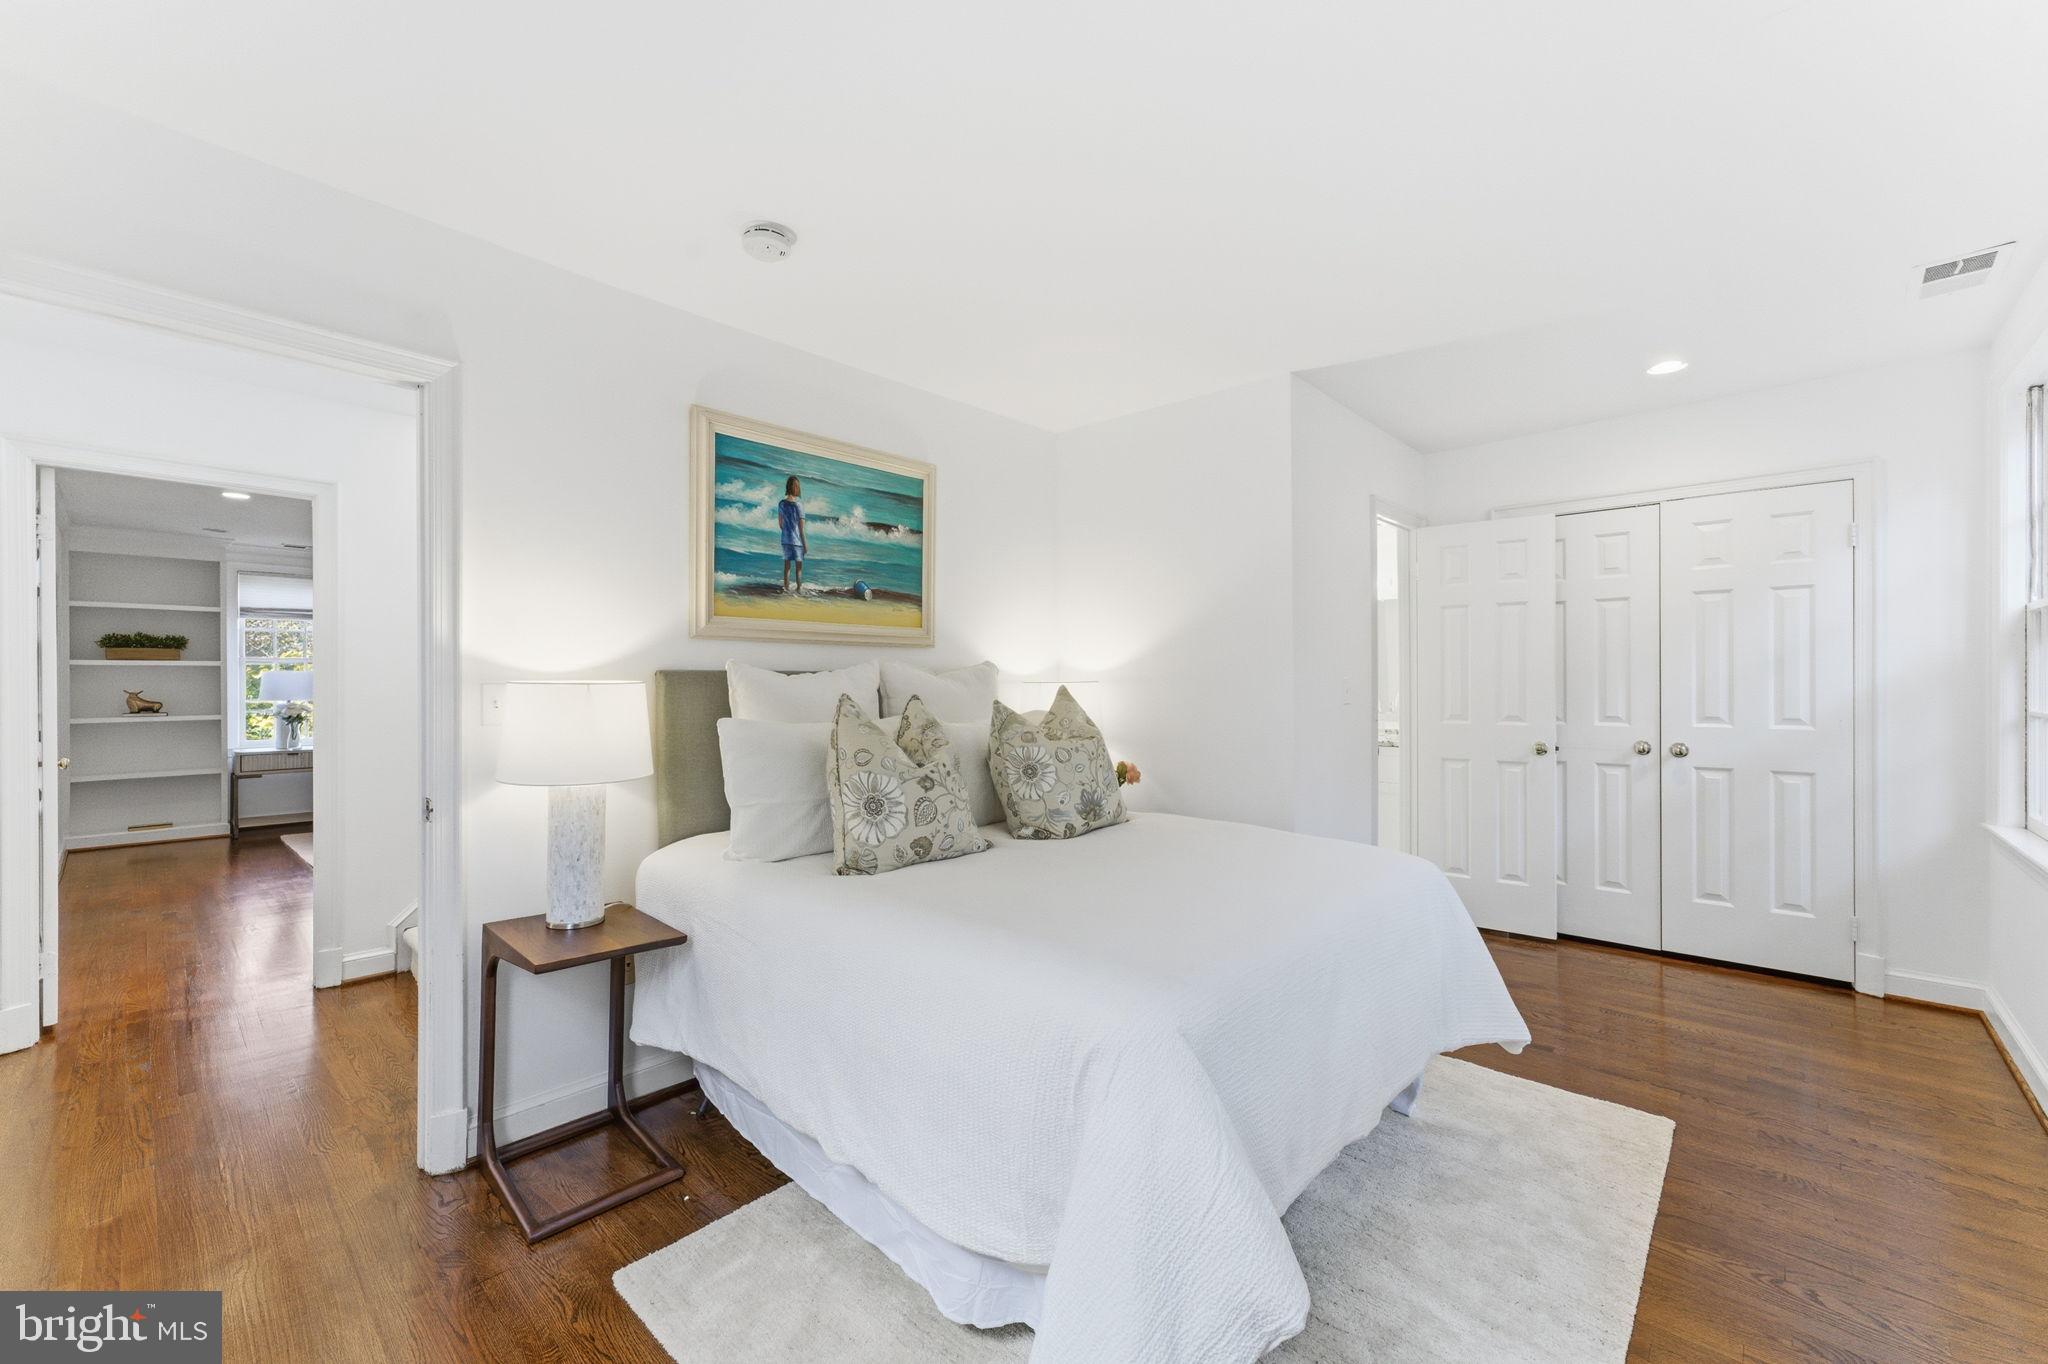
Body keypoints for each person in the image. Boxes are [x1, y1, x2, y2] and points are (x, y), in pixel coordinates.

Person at [778, 475, 807, 594]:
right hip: (797, 542)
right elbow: (801, 529)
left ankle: (786, 588)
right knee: (798, 568)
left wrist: (787, 532)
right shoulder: (799, 505)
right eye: (797, 486)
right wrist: (805, 544)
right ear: (796, 488)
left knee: (787, 566)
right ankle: (799, 588)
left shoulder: (781, 504)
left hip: (785, 540)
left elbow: (780, 524)